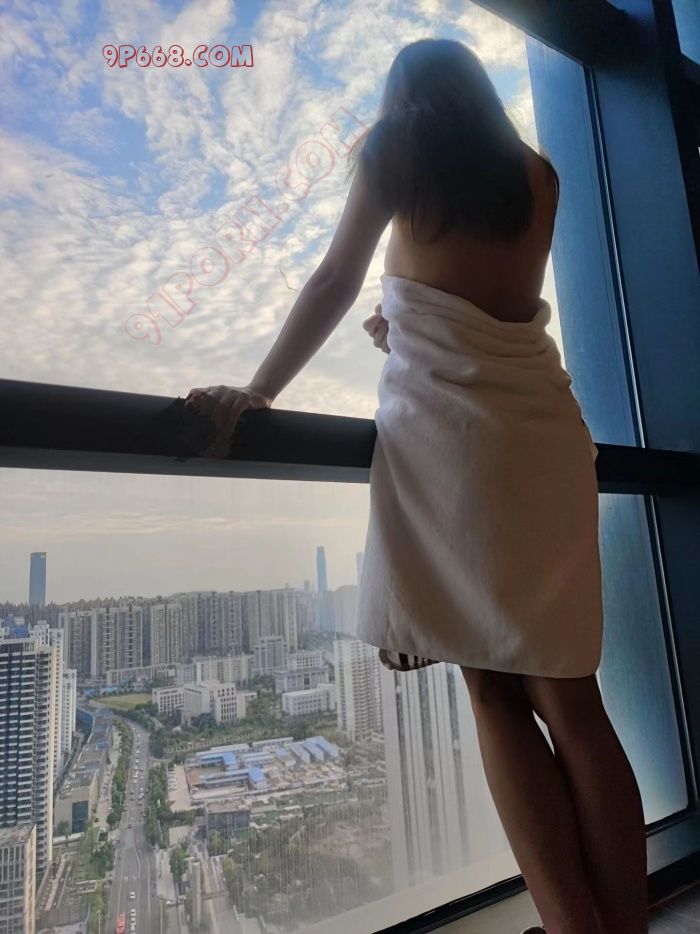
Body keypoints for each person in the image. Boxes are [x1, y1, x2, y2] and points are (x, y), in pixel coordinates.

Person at [185, 37, 648, 934]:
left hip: (461, 453)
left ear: (403, 98)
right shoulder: (540, 177)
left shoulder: (394, 149)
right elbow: (488, 308)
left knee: (492, 691)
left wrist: (260, 389)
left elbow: (335, 277)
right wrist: (405, 316)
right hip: (550, 440)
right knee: (574, 701)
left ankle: (571, 925)